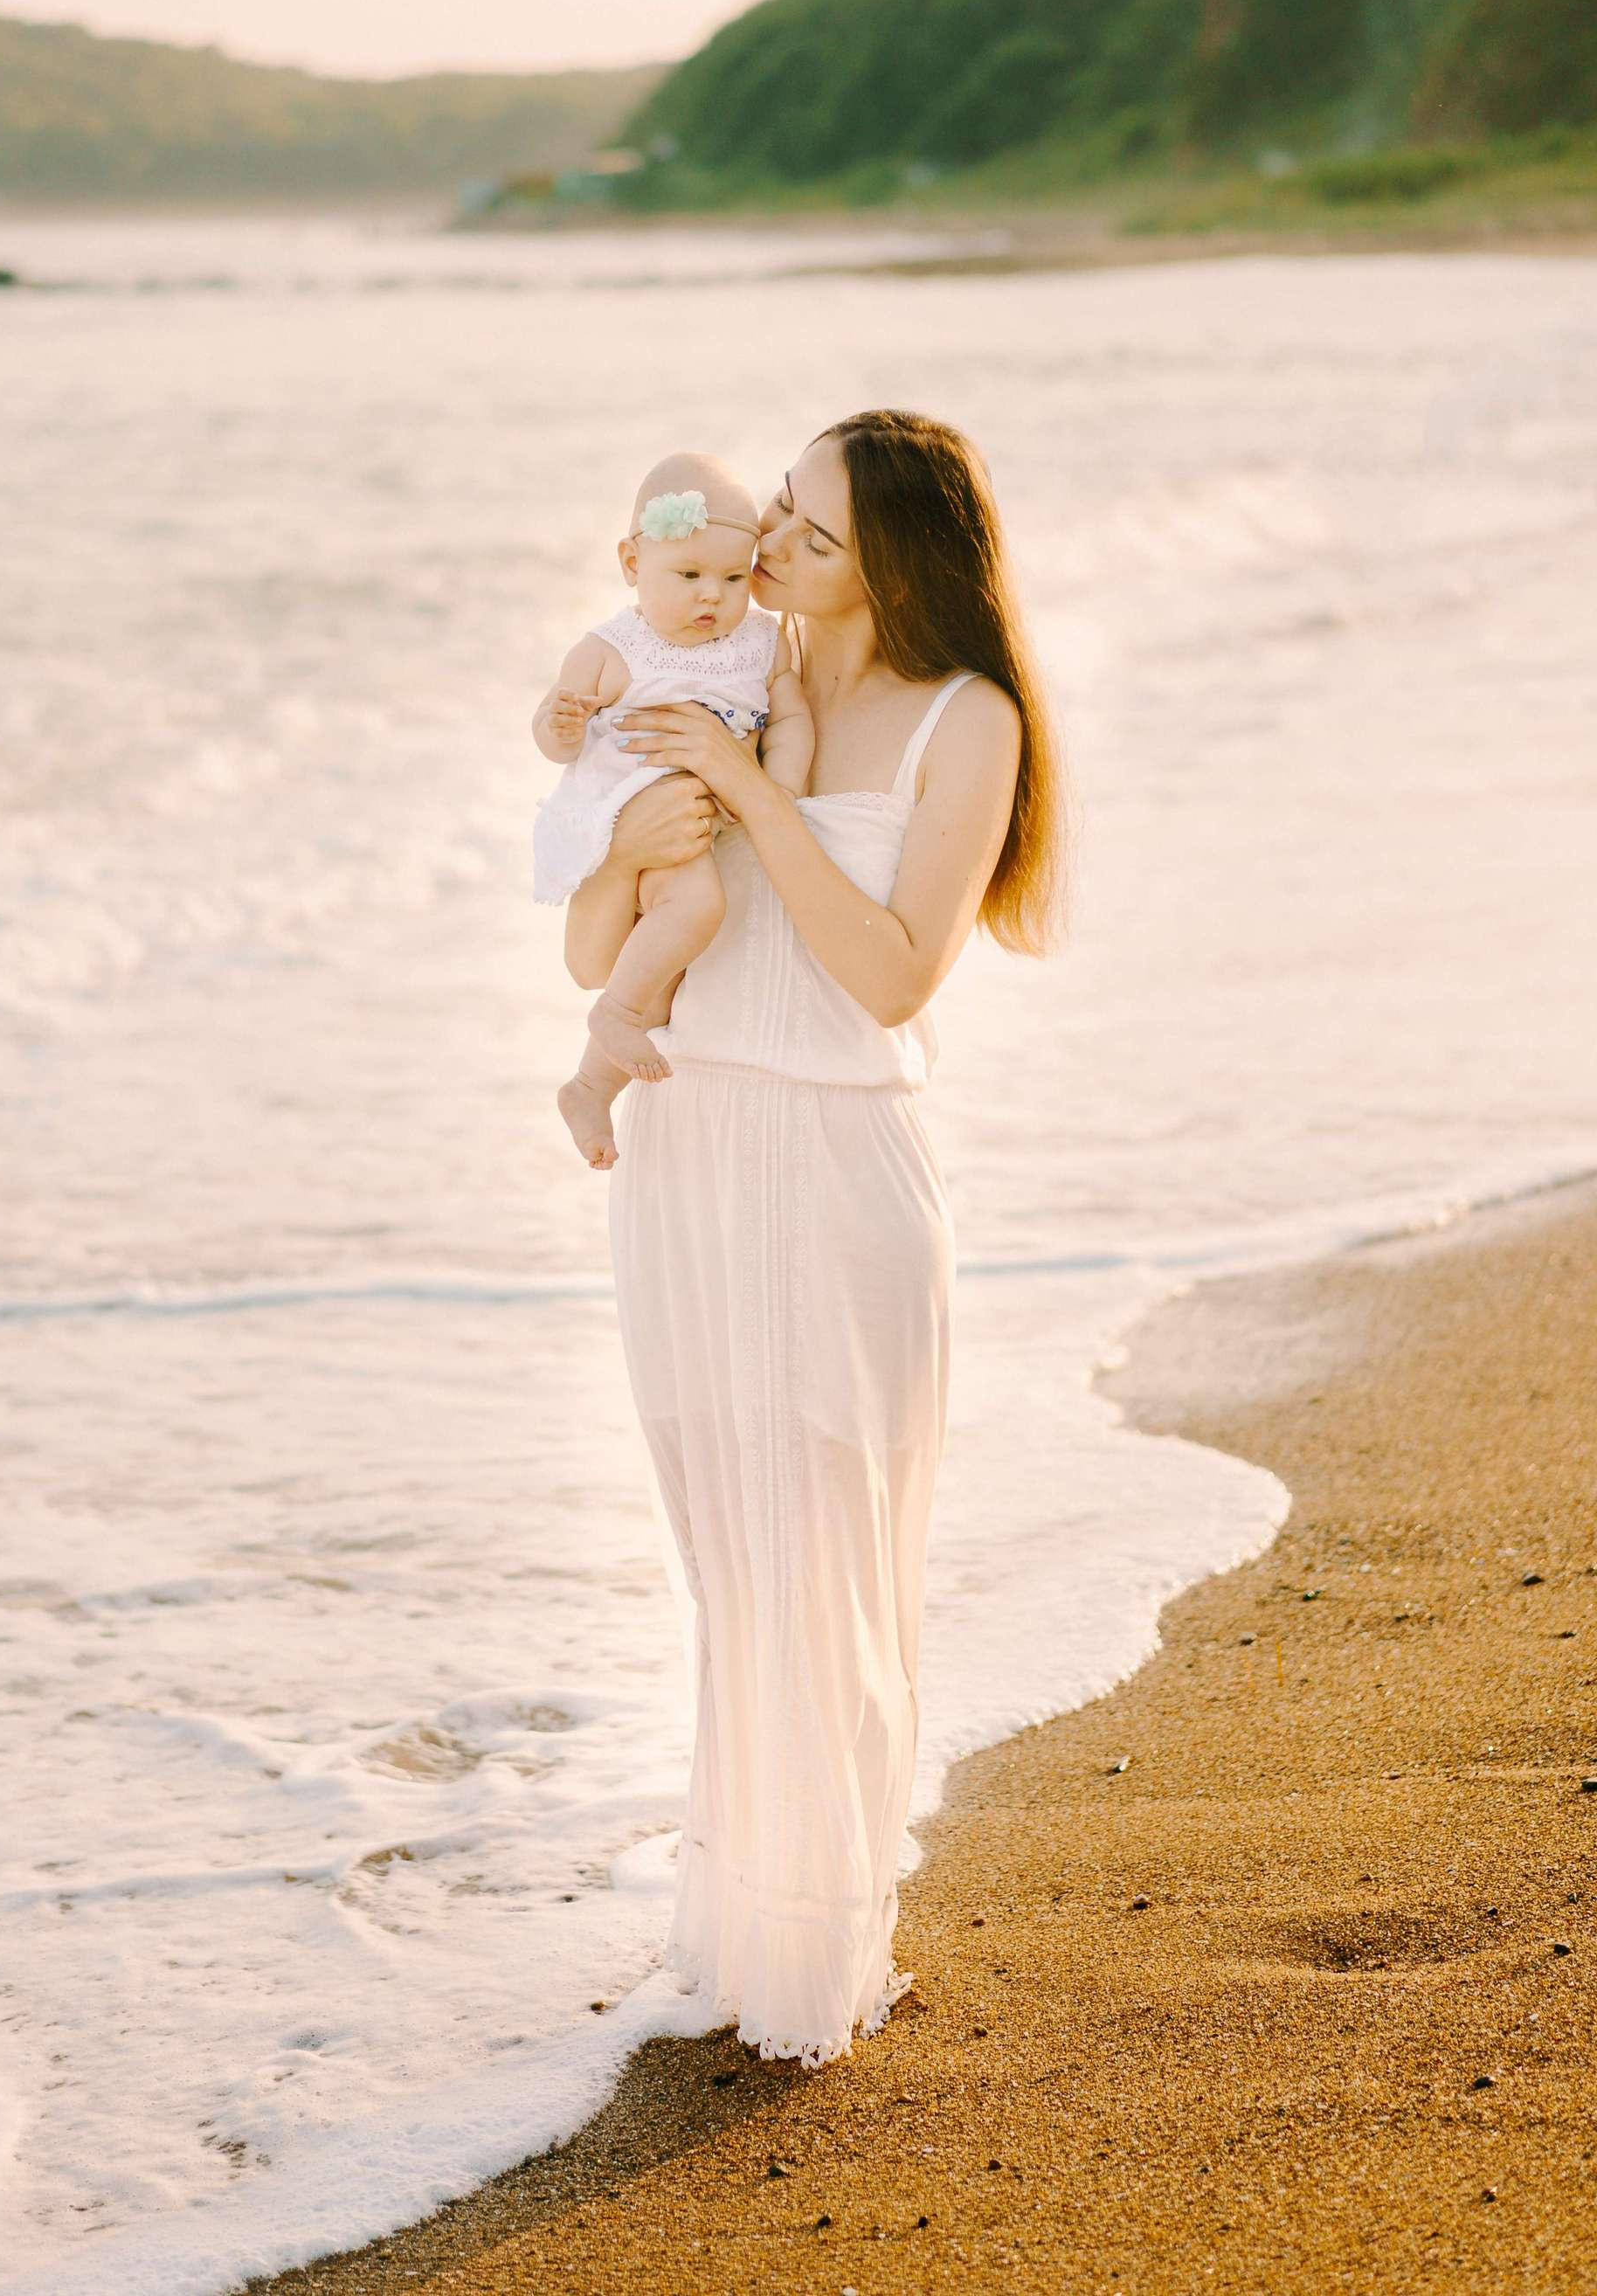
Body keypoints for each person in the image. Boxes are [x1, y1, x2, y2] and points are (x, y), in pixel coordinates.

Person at [563, 407, 1066, 2068]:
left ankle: (821, 1959)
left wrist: (741, 795)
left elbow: (895, 970)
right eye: (776, 509)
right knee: (732, 1564)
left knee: (830, 1561)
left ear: (898, 566)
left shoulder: (965, 720)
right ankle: (729, 1938)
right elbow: (595, 929)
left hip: (840, 1159)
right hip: (691, 1147)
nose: (771, 545)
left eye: (813, 533)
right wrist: (634, 837)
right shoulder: (738, 665)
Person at [532, 451, 813, 1169]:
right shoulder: (612, 649)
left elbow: (790, 719)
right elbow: (555, 736)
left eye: (730, 577)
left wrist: (777, 790)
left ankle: (590, 1086)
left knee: (666, 975)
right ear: (633, 562)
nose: (711, 598)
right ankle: (615, 1017)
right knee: (694, 914)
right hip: (633, 811)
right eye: (688, 576)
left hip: (705, 818)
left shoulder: (760, 643)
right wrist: (560, 727)